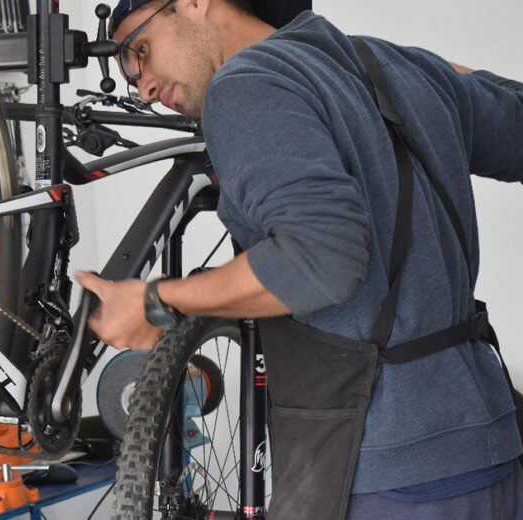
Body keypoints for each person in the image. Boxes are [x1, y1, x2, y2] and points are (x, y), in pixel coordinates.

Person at [74, 0, 523, 518]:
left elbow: (319, 259)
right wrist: (437, 76)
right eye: (130, 76)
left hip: (384, 472)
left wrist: (158, 301)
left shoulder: (245, 86)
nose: (145, 88)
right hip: (493, 451)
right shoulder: (393, 65)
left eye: (141, 50)